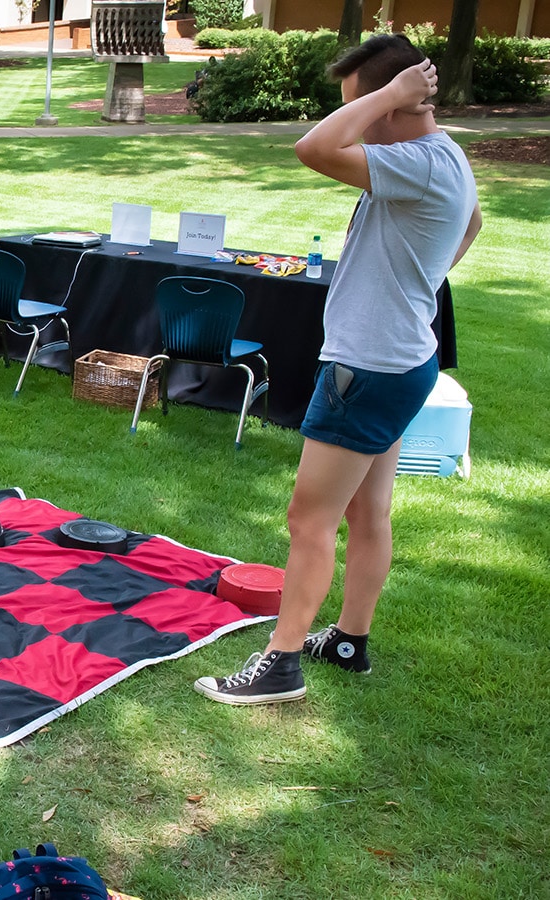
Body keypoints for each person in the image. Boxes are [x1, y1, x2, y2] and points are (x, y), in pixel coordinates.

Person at [195, 35, 482, 705]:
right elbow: (472, 223)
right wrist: (417, 282)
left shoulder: (418, 159)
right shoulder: (445, 158)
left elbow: (314, 148)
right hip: (403, 357)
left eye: (357, 104)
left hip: (368, 366)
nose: (349, 117)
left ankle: (281, 661)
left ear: (394, 104)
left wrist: (388, 95)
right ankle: (350, 640)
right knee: (367, 512)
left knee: (309, 520)